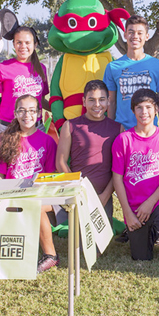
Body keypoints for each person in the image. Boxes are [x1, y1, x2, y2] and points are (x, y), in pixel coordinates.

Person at [42, 80, 123, 247]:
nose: (97, 104)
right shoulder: (70, 125)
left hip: (103, 194)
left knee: (99, 247)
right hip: (77, 192)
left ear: (108, 101)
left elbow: (118, 169)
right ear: (84, 102)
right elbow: (61, 161)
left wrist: (105, 196)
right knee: (80, 245)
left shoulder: (118, 128)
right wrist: (77, 189)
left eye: (102, 99)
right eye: (91, 100)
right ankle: (63, 217)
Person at [111, 88, 159, 261]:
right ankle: (150, 233)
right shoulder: (123, 139)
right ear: (133, 110)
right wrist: (127, 213)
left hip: (157, 201)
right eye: (139, 107)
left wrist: (150, 203)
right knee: (141, 257)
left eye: (148, 107)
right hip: (134, 207)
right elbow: (117, 178)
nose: (144, 112)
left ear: (156, 110)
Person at [0, 94, 58, 273]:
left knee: (37, 205)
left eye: (32, 111)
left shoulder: (48, 141)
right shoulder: (6, 139)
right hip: (13, 194)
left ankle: (50, 255)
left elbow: (50, 177)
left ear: (39, 113)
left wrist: (38, 193)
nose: (27, 115)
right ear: (15, 113)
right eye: (22, 110)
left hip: (40, 194)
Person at [103, 15, 159, 130]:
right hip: (122, 130)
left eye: (140, 33)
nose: (135, 36)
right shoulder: (113, 67)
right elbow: (112, 101)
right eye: (131, 32)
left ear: (146, 36)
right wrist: (111, 127)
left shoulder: (157, 65)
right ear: (125, 35)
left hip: (149, 130)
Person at [0, 26, 50, 137]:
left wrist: (59, 109)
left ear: (35, 44)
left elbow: (41, 100)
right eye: (19, 42)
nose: (23, 46)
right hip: (9, 128)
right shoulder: (2, 68)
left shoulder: (41, 68)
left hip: (36, 127)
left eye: (27, 42)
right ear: (13, 44)